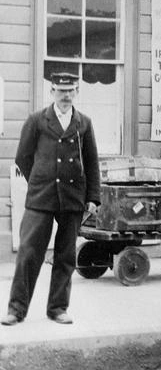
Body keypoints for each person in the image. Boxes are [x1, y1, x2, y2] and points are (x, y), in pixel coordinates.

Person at [2, 72, 100, 326]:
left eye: (71, 91)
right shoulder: (37, 121)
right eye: (60, 91)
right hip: (41, 198)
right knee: (28, 253)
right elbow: (23, 157)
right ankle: (16, 309)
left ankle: (57, 308)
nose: (66, 96)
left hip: (72, 198)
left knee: (66, 255)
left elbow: (91, 163)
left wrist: (93, 198)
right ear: (52, 91)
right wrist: (41, 179)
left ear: (77, 92)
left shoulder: (84, 123)